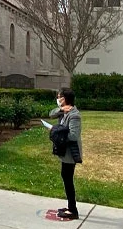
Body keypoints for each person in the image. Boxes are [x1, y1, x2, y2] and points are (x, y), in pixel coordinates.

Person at [50, 87, 82, 220]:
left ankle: (73, 210)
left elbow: (73, 135)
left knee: (68, 179)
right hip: (64, 152)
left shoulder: (74, 115)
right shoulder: (64, 112)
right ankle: (70, 207)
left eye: (60, 97)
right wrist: (61, 109)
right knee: (65, 177)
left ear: (66, 98)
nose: (58, 99)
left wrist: (58, 133)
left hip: (70, 153)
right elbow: (51, 113)